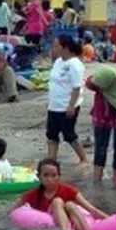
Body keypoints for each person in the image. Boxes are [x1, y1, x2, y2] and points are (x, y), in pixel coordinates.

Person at [10, 158, 108, 230]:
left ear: (59, 176)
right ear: (39, 176)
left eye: (54, 175)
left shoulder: (69, 191)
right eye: (46, 175)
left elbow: (92, 209)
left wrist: (111, 220)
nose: (50, 179)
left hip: (72, 216)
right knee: (57, 201)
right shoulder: (32, 195)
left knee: (68, 204)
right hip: (51, 220)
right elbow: (12, 210)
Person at [85, 66, 116, 184]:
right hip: (101, 116)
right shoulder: (97, 84)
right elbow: (88, 83)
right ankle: (97, 176)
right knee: (100, 147)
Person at [45, 35, 88, 167]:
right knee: (51, 134)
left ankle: (84, 159)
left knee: (69, 134)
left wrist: (71, 106)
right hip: (54, 104)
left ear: (66, 48)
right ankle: (51, 160)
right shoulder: (58, 62)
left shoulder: (75, 65)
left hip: (67, 105)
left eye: (57, 46)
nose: (54, 48)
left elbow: (76, 87)